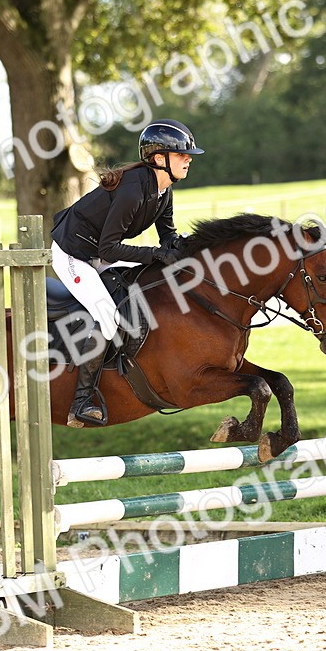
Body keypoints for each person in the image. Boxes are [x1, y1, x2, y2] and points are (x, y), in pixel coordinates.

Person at [51, 118, 204, 428]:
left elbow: (169, 238)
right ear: (159, 158)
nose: (188, 159)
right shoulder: (133, 190)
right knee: (108, 315)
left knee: (147, 284)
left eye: (188, 155)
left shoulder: (163, 191)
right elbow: (109, 249)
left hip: (98, 253)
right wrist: (156, 255)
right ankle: (80, 403)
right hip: (73, 254)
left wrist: (194, 252)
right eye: (182, 154)